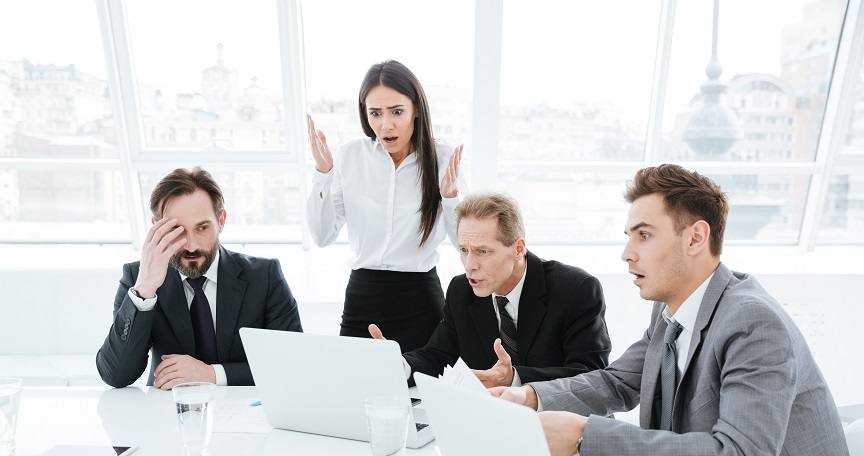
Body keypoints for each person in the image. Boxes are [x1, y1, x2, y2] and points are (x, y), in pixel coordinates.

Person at [493, 165, 864, 456]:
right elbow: (620, 380)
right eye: (629, 236)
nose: (627, 252)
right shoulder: (671, 308)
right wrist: (528, 395)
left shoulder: (754, 324)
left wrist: (584, 436)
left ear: (695, 237)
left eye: (644, 235)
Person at [306, 60, 465, 353]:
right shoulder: (349, 157)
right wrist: (323, 174)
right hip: (363, 297)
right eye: (375, 113)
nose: (385, 125)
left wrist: (451, 198)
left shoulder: (442, 158)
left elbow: (462, 244)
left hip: (420, 298)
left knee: (424, 392)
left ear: (415, 109)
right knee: (355, 389)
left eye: (397, 112)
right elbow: (322, 236)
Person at [371, 193, 610, 387]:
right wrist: (399, 365)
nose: (470, 265)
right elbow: (438, 356)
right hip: (492, 421)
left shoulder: (577, 289)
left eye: (482, 251)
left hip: (560, 422)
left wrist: (515, 378)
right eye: (464, 250)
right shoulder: (461, 290)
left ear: (518, 249)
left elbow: (590, 375)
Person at [96, 168, 302, 389]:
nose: (191, 246)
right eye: (177, 230)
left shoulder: (265, 276)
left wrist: (212, 374)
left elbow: (292, 364)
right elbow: (115, 375)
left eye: (202, 228)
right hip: (167, 414)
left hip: (245, 415)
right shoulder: (138, 278)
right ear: (157, 226)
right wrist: (145, 289)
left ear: (221, 220)